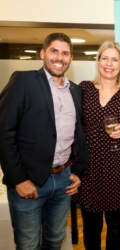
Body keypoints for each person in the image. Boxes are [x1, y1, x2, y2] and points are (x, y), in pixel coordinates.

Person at [0, 33, 89, 250]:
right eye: (54, 51)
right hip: (29, 182)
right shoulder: (23, 81)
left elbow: (78, 135)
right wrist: (18, 179)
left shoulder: (76, 91)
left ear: (71, 58)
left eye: (65, 53)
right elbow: (3, 131)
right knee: (28, 245)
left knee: (55, 241)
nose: (60, 57)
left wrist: (77, 171)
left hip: (63, 182)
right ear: (43, 53)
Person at [72, 41, 120, 249]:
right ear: (98, 61)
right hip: (88, 169)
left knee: (115, 228)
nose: (109, 64)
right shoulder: (83, 89)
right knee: (91, 228)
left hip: (117, 169)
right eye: (104, 58)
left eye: (114, 59)